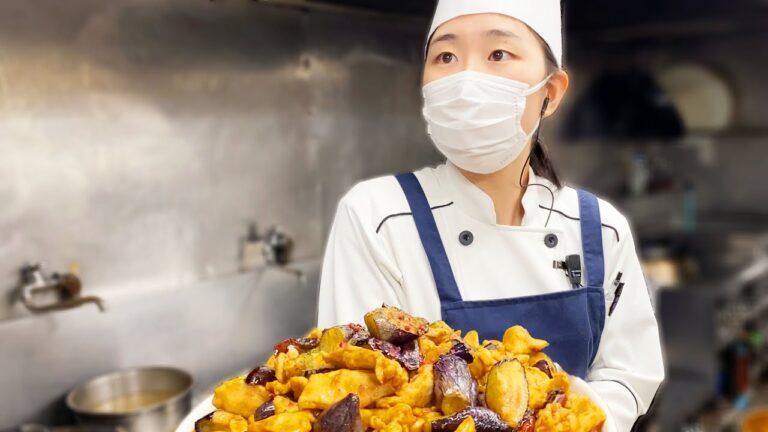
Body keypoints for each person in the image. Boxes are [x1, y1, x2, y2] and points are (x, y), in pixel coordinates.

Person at [317, 1, 664, 430]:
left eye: (498, 54)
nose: (466, 79)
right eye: (446, 56)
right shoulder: (377, 215)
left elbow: (630, 374)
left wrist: (571, 420)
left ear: (550, 93)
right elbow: (357, 392)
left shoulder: (599, 228)